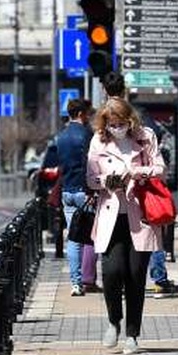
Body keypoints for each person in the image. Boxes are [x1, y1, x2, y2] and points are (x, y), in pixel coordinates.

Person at [86, 97, 165, 355]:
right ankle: (113, 320)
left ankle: (132, 335)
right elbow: (90, 177)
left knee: (135, 275)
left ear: (129, 120)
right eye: (111, 123)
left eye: (120, 123)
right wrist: (105, 181)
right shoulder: (98, 140)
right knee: (111, 272)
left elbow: (160, 168)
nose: (116, 127)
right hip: (111, 214)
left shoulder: (146, 137)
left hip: (139, 213)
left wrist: (137, 173)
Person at [101, 71, 178, 297]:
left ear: (104, 90)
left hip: (118, 201)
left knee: (126, 248)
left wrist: (132, 173)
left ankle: (136, 286)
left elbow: (156, 164)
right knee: (145, 239)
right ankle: (157, 278)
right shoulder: (133, 120)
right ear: (124, 89)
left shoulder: (103, 125)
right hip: (135, 199)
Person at [54, 98, 97, 296]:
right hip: (85, 192)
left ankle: (76, 283)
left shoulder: (60, 136)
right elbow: (91, 163)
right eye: (88, 114)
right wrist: (92, 190)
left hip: (67, 191)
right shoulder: (87, 135)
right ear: (81, 114)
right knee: (90, 237)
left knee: (73, 239)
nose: (90, 117)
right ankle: (89, 278)